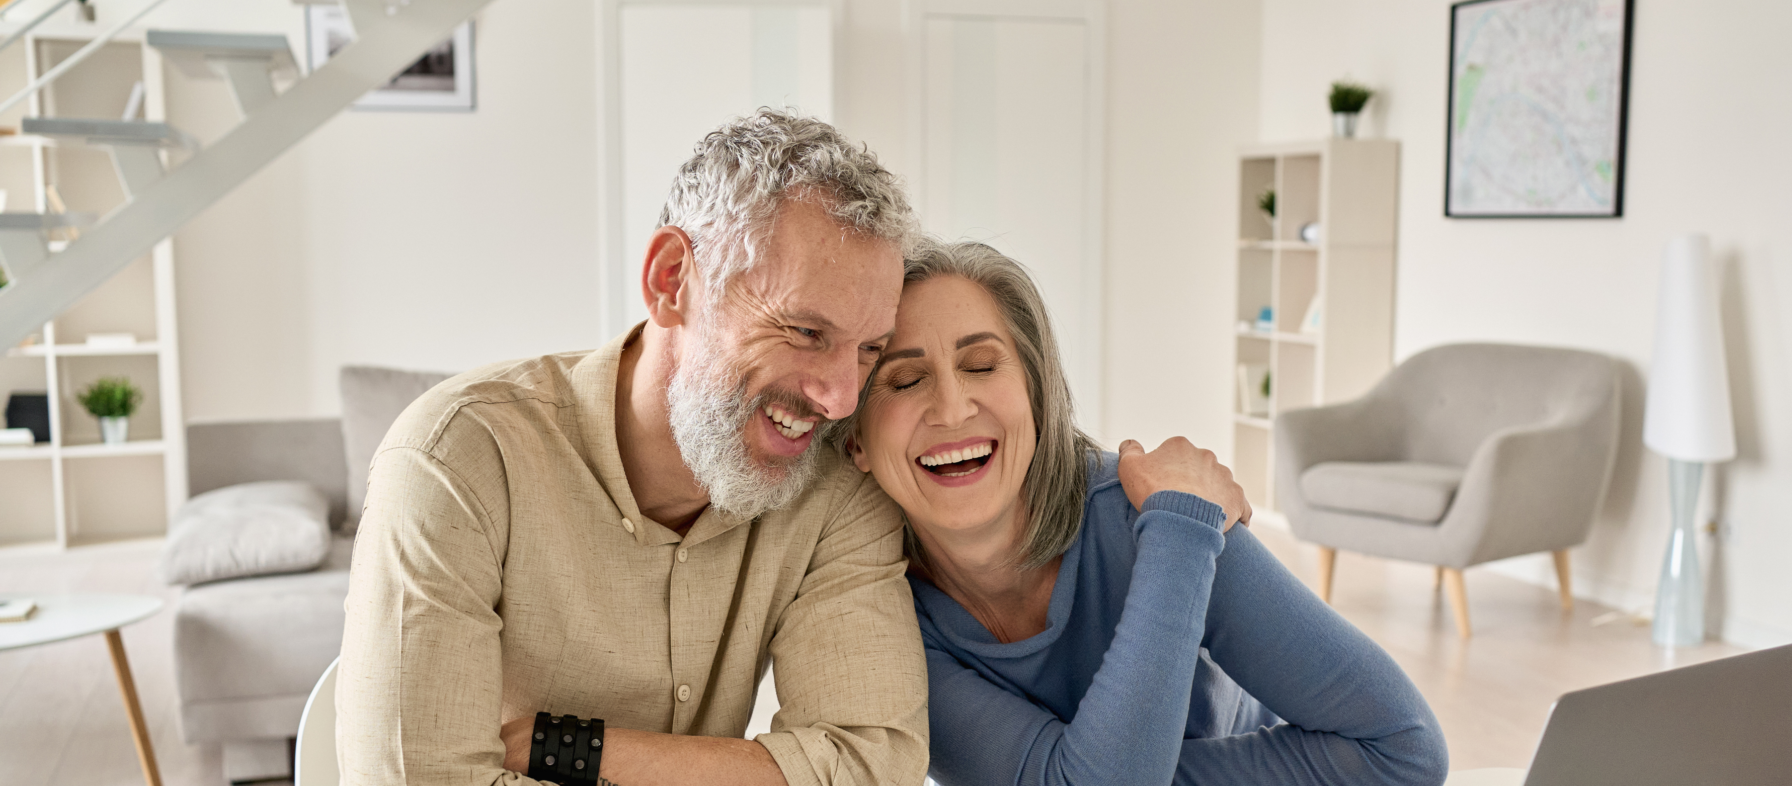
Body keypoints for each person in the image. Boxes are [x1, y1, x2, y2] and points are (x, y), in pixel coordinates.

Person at [337, 110, 931, 786]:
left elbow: (870, 763)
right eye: (804, 331)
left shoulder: (837, 494)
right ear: (672, 279)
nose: (840, 398)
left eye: (870, 349)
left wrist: (568, 747)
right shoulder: (459, 458)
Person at [835, 241, 1449, 786]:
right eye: (906, 380)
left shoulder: (1164, 517)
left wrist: (1180, 535)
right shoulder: (879, 617)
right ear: (856, 440)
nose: (952, 406)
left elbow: (1405, 747)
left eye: (981, 365)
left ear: (1038, 396)